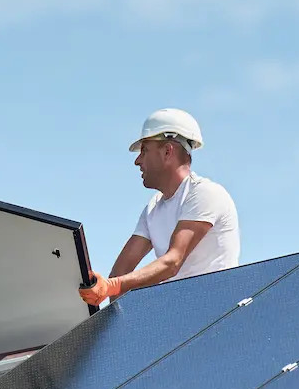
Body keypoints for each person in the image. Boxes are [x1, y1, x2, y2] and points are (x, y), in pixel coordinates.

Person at [81, 108, 239, 305]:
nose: (137, 161)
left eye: (144, 151)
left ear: (167, 152)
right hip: (179, 315)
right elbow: (120, 272)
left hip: (215, 314)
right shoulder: (153, 209)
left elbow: (172, 262)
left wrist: (112, 286)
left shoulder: (205, 194)